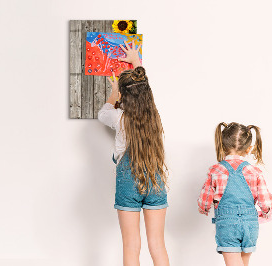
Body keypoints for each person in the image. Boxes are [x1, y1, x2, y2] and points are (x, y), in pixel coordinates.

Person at [98, 40, 170, 266]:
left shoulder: (119, 118)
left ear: (124, 95)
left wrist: (113, 93)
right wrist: (136, 62)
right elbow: (143, 88)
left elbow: (103, 113)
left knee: (131, 245)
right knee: (157, 244)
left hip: (129, 182)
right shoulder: (154, 116)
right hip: (155, 178)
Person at [198, 122, 272, 266]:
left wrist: (204, 208)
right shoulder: (254, 172)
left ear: (222, 145)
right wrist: (266, 212)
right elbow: (265, 200)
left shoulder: (216, 170)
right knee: (244, 262)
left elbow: (205, 198)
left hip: (227, 224)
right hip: (250, 224)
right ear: (249, 149)